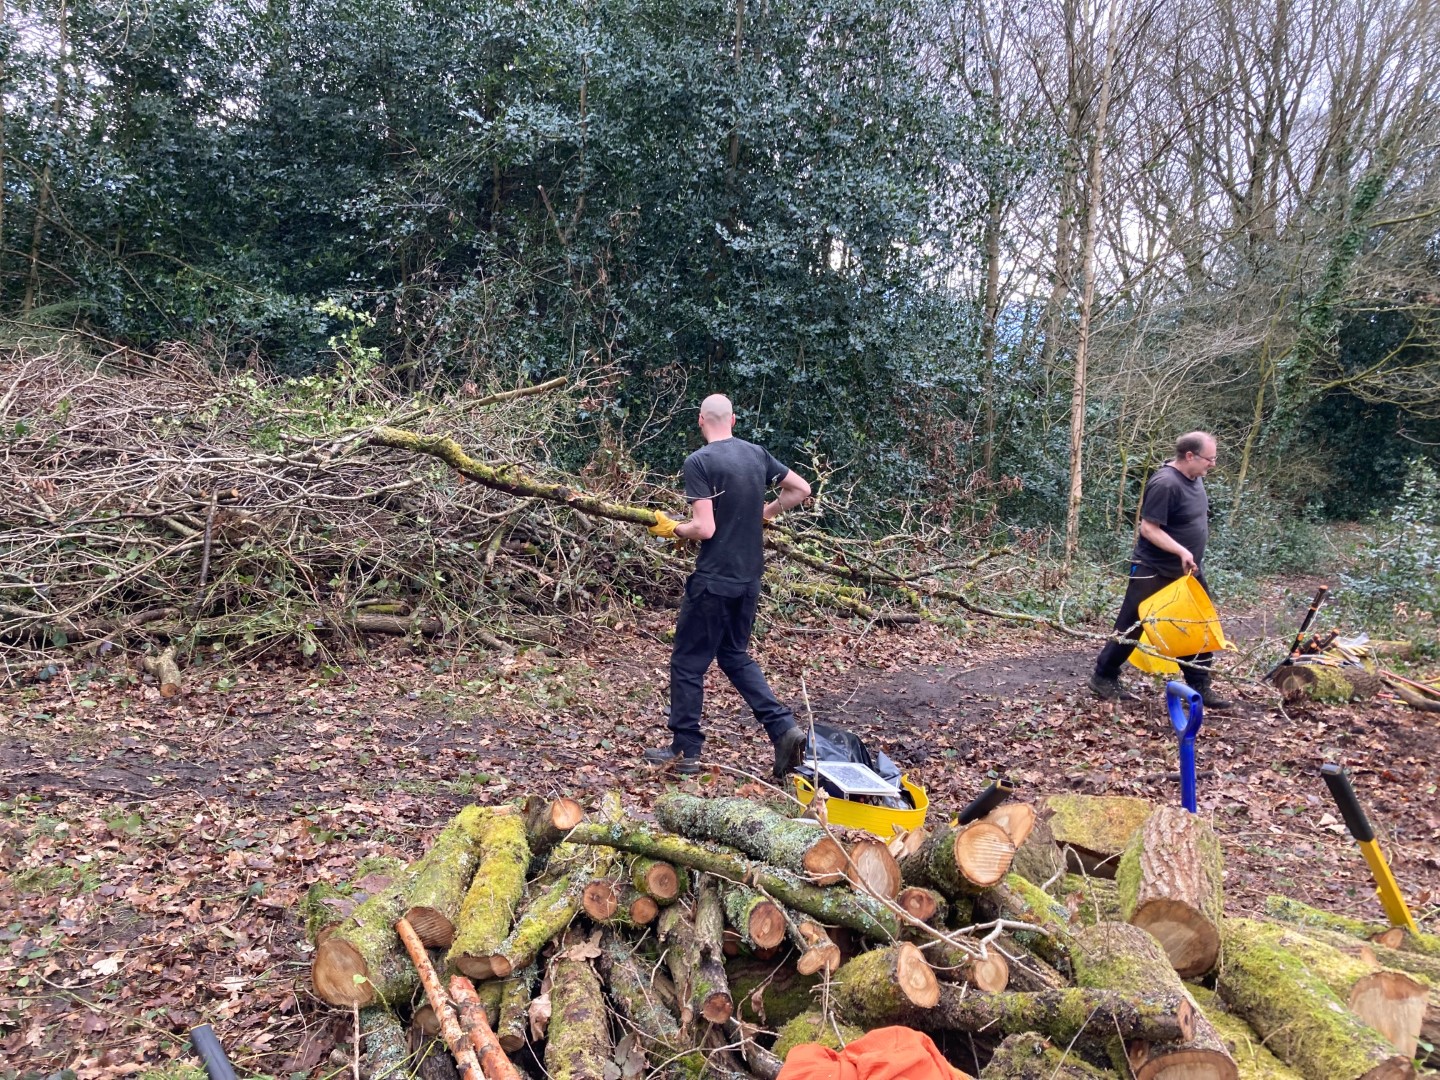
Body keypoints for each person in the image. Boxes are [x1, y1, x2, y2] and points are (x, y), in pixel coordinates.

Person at [644, 394, 813, 776]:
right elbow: (800, 489)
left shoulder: (700, 462)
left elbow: (704, 528)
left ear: (701, 420)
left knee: (688, 663)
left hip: (713, 581)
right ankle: (783, 728)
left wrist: (673, 528)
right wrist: (764, 513)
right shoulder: (756, 454)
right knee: (734, 655)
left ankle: (686, 752)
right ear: (733, 420)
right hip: (749, 579)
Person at [1088, 431, 1233, 708]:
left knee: (1199, 624)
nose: (1212, 464)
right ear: (1190, 455)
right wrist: (1180, 549)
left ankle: (1201, 686)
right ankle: (1103, 676)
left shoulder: (1195, 478)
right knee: (1131, 626)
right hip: (1153, 569)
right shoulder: (1166, 483)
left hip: (1187, 571)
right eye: (1209, 459)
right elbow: (1148, 528)